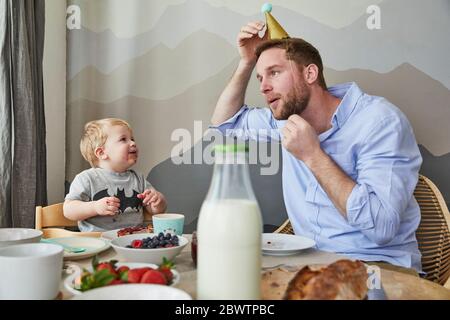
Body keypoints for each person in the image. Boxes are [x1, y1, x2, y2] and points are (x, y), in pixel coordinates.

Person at [211, 21, 423, 273]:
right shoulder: (285, 121)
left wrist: (312, 155)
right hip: (308, 263)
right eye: (260, 77)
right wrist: (246, 62)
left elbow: (382, 227)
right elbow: (224, 123)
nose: (263, 86)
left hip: (377, 266)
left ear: (310, 74)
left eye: (275, 72)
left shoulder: (380, 121)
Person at [64, 118, 167, 232]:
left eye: (132, 139)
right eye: (123, 139)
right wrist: (94, 207)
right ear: (102, 153)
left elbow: (155, 210)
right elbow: (68, 210)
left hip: (133, 240)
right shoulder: (87, 179)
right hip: (98, 241)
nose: (133, 143)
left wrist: (158, 201)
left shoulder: (138, 179)